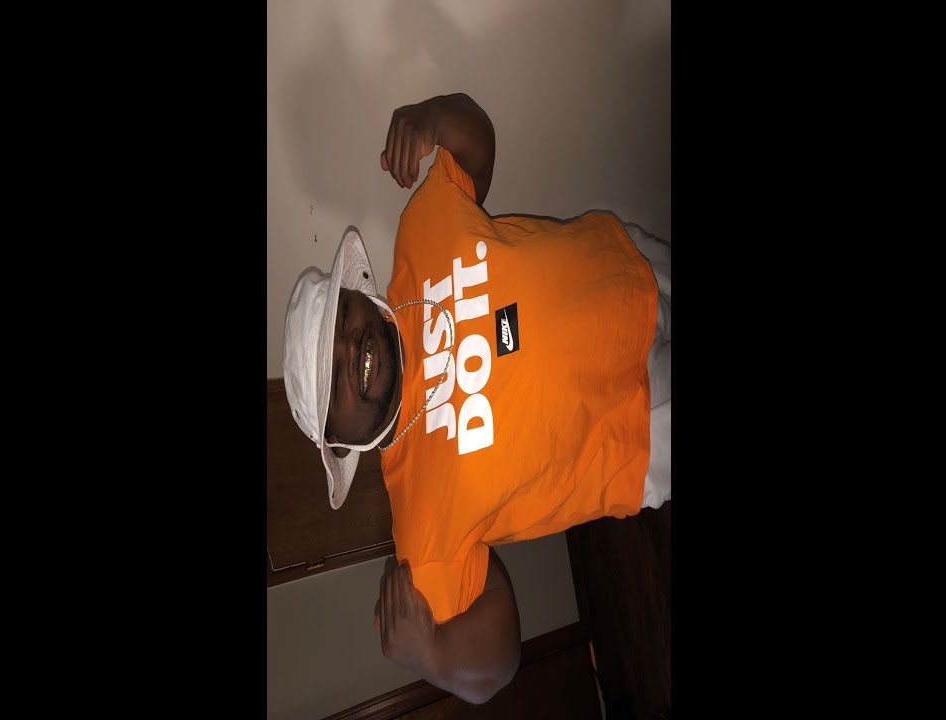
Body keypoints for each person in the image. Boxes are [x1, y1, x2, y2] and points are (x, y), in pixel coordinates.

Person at [282, 92, 671, 705]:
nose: (349, 346)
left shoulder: (419, 231)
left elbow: (478, 148)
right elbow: (501, 656)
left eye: (341, 320)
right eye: (333, 379)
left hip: (631, 263)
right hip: (644, 429)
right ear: (341, 442)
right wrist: (432, 654)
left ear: (359, 297)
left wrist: (433, 118)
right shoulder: (421, 540)